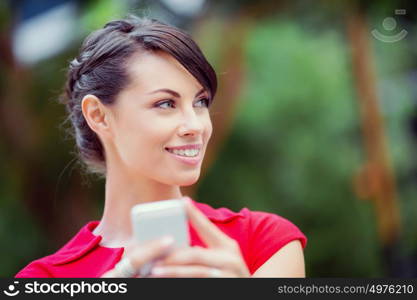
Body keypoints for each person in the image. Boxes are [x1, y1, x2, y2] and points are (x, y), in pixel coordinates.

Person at [15, 15, 307, 278]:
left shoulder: (264, 241)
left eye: (200, 102)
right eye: (166, 103)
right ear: (99, 115)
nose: (195, 125)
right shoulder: (45, 278)